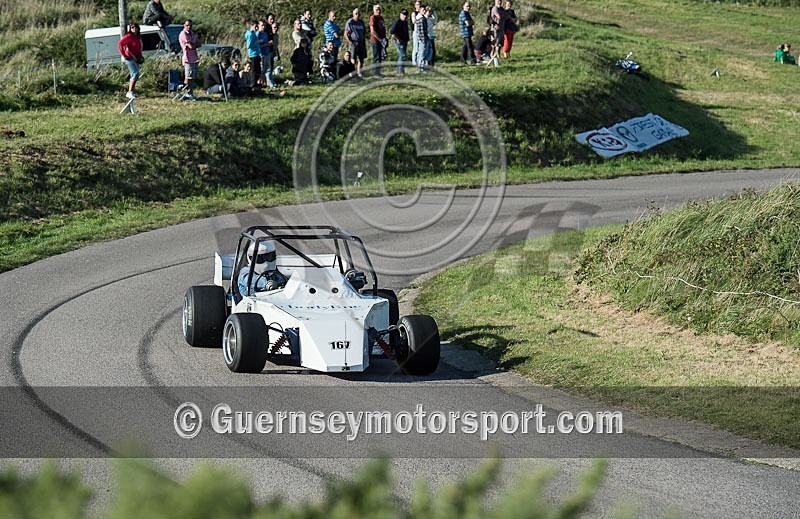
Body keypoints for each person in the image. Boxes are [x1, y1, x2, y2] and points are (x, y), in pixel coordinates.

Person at [118, 23, 144, 99]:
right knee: (135, 74)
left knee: (135, 75)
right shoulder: (129, 36)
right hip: (129, 57)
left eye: (136, 27)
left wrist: (140, 56)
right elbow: (120, 44)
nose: (134, 29)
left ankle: (132, 91)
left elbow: (139, 47)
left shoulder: (138, 37)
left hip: (136, 58)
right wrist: (123, 54)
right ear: (130, 29)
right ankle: (129, 92)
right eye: (132, 27)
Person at [179, 19, 200, 97]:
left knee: (193, 77)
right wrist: (193, 45)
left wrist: (193, 45)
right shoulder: (183, 34)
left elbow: (199, 44)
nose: (189, 27)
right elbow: (190, 46)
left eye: (190, 25)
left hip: (194, 58)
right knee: (188, 76)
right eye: (187, 25)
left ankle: (191, 92)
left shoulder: (192, 34)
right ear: (184, 25)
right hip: (187, 58)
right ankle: (187, 92)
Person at [344, 8, 367, 78]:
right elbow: (346, 33)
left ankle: (359, 73)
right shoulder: (350, 22)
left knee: (361, 58)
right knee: (353, 59)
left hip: (361, 42)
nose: (357, 15)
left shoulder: (361, 22)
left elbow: (364, 32)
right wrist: (350, 42)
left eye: (358, 13)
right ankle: (352, 73)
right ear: (353, 14)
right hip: (354, 42)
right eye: (356, 13)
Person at [389, 9, 410, 75]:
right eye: (403, 15)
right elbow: (392, 32)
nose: (405, 16)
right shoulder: (397, 21)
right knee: (402, 55)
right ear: (400, 14)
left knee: (402, 56)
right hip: (399, 41)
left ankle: (400, 70)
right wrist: (397, 39)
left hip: (404, 40)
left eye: (406, 15)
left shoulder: (405, 22)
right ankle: (400, 71)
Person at [369, 4, 387, 76]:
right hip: (375, 41)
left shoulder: (381, 18)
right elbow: (372, 31)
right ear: (374, 10)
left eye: (379, 10)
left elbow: (383, 28)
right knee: (376, 57)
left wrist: (384, 38)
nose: (378, 11)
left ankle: (378, 72)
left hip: (381, 40)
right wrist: (379, 39)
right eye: (377, 10)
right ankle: (375, 72)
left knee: (380, 57)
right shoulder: (373, 18)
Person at [257, 20, 276, 87]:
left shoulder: (265, 33)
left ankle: (269, 82)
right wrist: (267, 44)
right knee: (262, 69)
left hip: (267, 53)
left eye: (264, 25)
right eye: (262, 25)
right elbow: (257, 45)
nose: (263, 27)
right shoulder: (257, 34)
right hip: (261, 53)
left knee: (268, 69)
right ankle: (262, 83)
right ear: (258, 26)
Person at [244, 20, 262, 89]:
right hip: (253, 54)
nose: (256, 28)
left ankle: (256, 83)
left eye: (257, 27)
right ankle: (252, 84)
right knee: (254, 70)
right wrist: (257, 42)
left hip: (256, 53)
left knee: (258, 70)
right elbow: (249, 45)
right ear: (252, 26)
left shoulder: (253, 33)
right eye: (255, 26)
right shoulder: (250, 34)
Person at [412, 5, 430, 71]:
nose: (424, 11)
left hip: (425, 38)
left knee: (424, 53)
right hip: (422, 39)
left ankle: (424, 67)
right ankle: (421, 68)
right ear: (419, 11)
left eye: (425, 10)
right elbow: (421, 31)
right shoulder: (420, 19)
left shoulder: (423, 18)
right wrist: (423, 40)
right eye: (423, 10)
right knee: (421, 54)